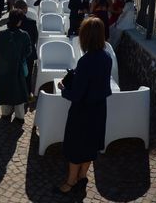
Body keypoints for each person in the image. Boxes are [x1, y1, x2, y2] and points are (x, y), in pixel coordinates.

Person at [56, 17, 112, 195]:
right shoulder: (107, 57)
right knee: (90, 146)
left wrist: (63, 89)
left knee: (76, 147)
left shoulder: (85, 62)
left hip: (83, 111)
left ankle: (70, 182)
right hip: (99, 109)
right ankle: (82, 176)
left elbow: (77, 95)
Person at [0, 9, 31, 123]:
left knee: (4, 90)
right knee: (18, 92)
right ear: (19, 22)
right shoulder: (24, 35)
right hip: (17, 69)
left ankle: (5, 113)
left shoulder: (2, 34)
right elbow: (28, 51)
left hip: (3, 69)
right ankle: (19, 117)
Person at [13, 0, 38, 99]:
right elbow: (35, 38)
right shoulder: (31, 23)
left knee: (17, 73)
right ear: (25, 9)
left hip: (17, 53)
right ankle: (28, 93)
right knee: (28, 74)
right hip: (29, 53)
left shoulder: (11, 23)